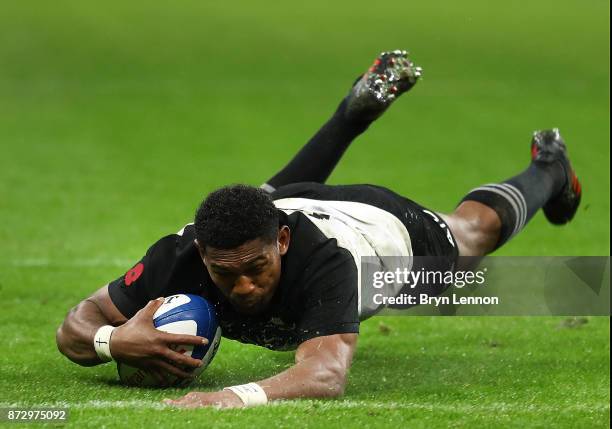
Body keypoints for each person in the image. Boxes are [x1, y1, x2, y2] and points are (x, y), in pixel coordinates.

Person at [56, 50, 581, 408]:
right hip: (283, 205)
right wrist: (111, 341)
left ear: (282, 243)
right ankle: (350, 115)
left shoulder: (332, 264)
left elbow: (326, 375)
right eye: (224, 273)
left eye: (256, 269)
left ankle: (550, 170)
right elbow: (75, 324)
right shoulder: (182, 256)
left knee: (470, 235)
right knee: (257, 203)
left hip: (377, 230)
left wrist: (230, 397)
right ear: (201, 252)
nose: (243, 287)